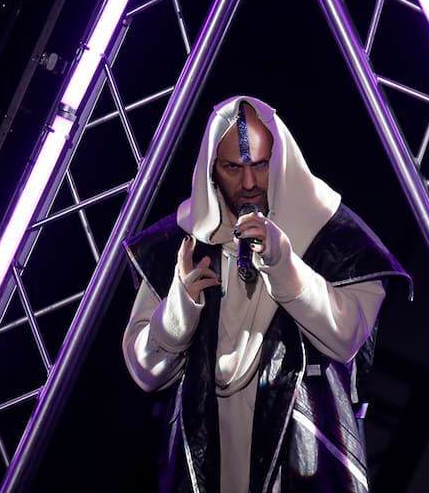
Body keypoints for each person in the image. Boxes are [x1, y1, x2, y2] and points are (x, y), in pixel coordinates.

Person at [121, 95, 411, 492]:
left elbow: (347, 339)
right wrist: (177, 314)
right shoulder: (181, 242)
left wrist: (285, 267)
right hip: (205, 454)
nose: (249, 183)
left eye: (259, 164)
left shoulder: (332, 233)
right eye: (233, 167)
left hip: (299, 454)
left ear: (280, 159)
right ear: (211, 170)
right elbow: (144, 373)